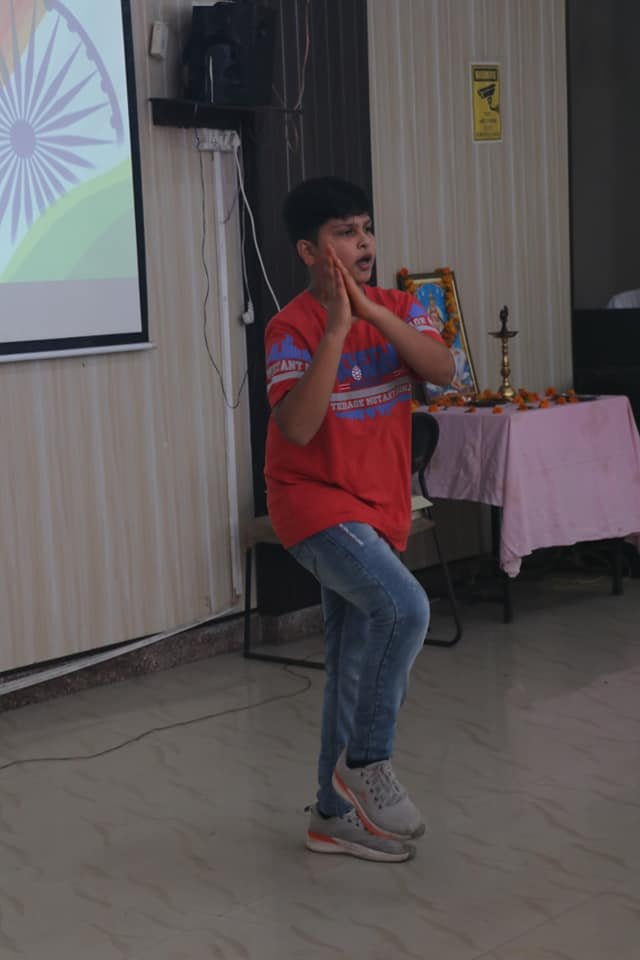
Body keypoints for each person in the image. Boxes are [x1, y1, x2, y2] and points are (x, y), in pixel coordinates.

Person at [264, 177, 454, 862]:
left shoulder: (402, 308)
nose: (364, 243)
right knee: (405, 608)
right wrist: (339, 329)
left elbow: (444, 370)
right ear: (309, 250)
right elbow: (298, 425)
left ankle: (331, 814)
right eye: (345, 232)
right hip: (312, 504)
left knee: (350, 663)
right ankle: (367, 762)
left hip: (377, 508)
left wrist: (372, 314)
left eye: (366, 228)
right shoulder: (290, 329)